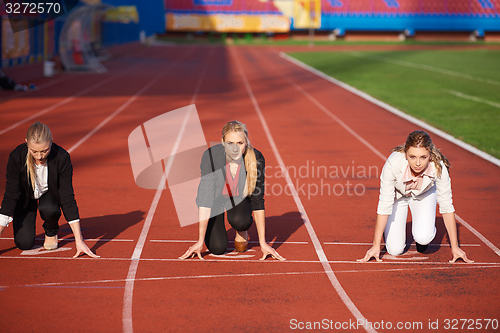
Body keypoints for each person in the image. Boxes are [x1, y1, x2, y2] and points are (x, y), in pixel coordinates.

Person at [358, 130, 472, 263]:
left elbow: (446, 206)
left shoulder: (439, 167)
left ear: (430, 154)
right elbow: (384, 204)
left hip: (424, 195)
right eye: (413, 157)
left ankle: (423, 233)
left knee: (423, 237)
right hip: (399, 197)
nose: (418, 163)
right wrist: (376, 245)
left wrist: (455, 247)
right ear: (406, 154)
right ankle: (388, 231)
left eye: (423, 157)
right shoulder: (392, 164)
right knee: (394, 250)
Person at [180, 120, 285, 261]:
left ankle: (242, 230)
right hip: (215, 201)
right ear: (222, 142)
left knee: (240, 221)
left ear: (246, 142)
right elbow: (205, 199)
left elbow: (258, 201)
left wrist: (263, 243)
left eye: (240, 143)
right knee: (217, 248)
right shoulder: (211, 157)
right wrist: (199, 241)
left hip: (238, 199)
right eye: (230, 143)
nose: (235, 149)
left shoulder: (256, 158)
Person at [0, 122, 99, 258]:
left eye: (44, 151)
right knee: (24, 243)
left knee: (49, 208)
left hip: (49, 196)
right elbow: (11, 195)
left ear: (51, 142)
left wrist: (79, 240)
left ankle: (51, 230)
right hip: (25, 199)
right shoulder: (16, 157)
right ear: (26, 143)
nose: (39, 156)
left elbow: (67, 197)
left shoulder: (61, 157)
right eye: (34, 151)